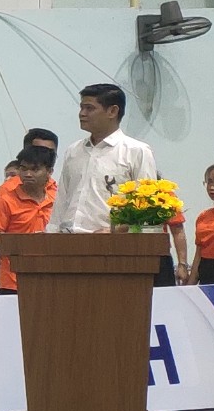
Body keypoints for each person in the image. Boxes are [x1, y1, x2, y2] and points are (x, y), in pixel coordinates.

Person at [52, 83, 182, 286]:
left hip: (113, 247)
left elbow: (145, 209)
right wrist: (51, 234)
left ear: (112, 111)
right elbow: (62, 198)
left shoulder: (136, 151)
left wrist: (116, 231)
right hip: (69, 245)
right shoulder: (73, 150)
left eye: (89, 108)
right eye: (81, 107)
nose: (82, 114)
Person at [0, 145, 55, 294]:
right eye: (23, 169)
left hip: (50, 278)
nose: (27, 174)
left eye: (35, 169)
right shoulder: (6, 200)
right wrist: (25, 245)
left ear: (49, 172)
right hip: (13, 283)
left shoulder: (57, 200)